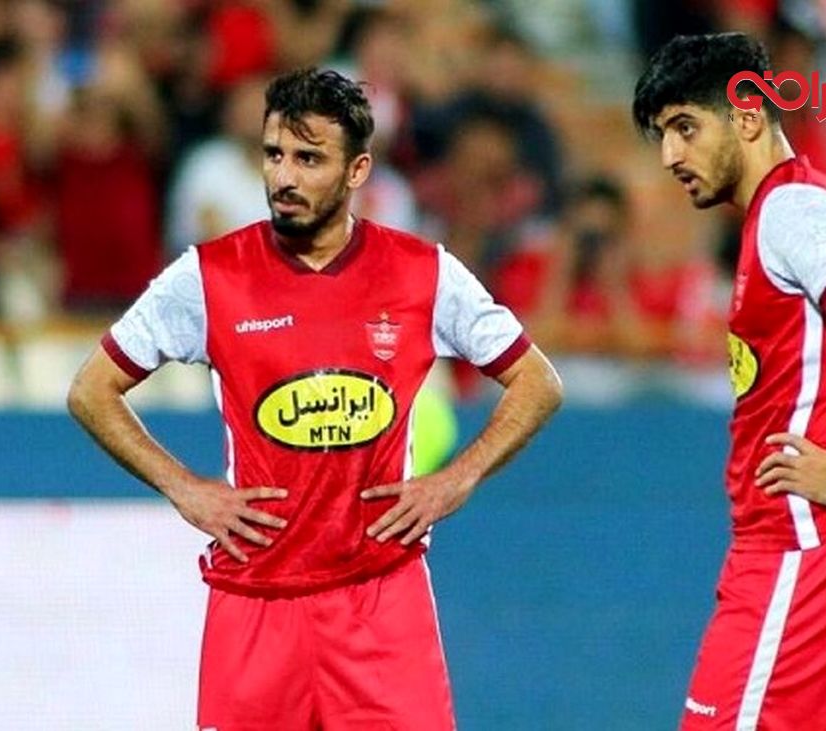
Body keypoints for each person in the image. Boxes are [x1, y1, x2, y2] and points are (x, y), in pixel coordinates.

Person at [66, 67, 563, 730]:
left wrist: (456, 479)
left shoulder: (423, 273)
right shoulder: (209, 277)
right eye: (274, 154)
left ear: (358, 171)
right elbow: (91, 389)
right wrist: (185, 487)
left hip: (382, 601)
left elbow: (538, 380)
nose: (284, 177)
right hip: (256, 602)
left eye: (308, 159)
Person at [632, 33, 826, 729]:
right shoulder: (806, 204)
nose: (671, 156)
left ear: (749, 116)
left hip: (806, 538)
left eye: (685, 128)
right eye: (664, 135)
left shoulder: (791, 212)